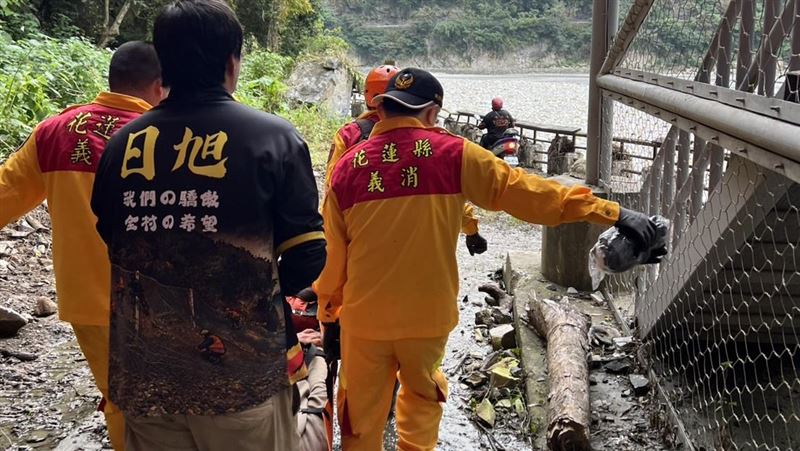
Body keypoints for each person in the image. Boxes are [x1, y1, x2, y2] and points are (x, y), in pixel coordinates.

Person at [314, 68, 666, 451]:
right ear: (432, 113)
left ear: (381, 108)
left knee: (359, 421)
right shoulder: (455, 155)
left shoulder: (346, 170)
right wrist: (612, 212)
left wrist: (328, 315)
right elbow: (533, 193)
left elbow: (333, 260)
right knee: (421, 404)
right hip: (427, 318)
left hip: (365, 321)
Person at [90, 1, 326, 450]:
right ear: (232, 63)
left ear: (164, 64)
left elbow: (111, 235)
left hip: (144, 380)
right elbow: (308, 253)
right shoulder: (273, 139)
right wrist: (258, 297)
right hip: (245, 383)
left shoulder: (122, 145)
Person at [0, 41, 164, 450]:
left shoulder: (54, 132)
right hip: (160, 299)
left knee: (121, 396)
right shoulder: (172, 135)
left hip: (87, 301)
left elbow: (4, 195)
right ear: (159, 85)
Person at [326, 63, 487, 256]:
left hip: (362, 240)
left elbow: (332, 190)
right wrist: (471, 229)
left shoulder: (348, 135)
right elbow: (446, 187)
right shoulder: (428, 143)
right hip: (419, 245)